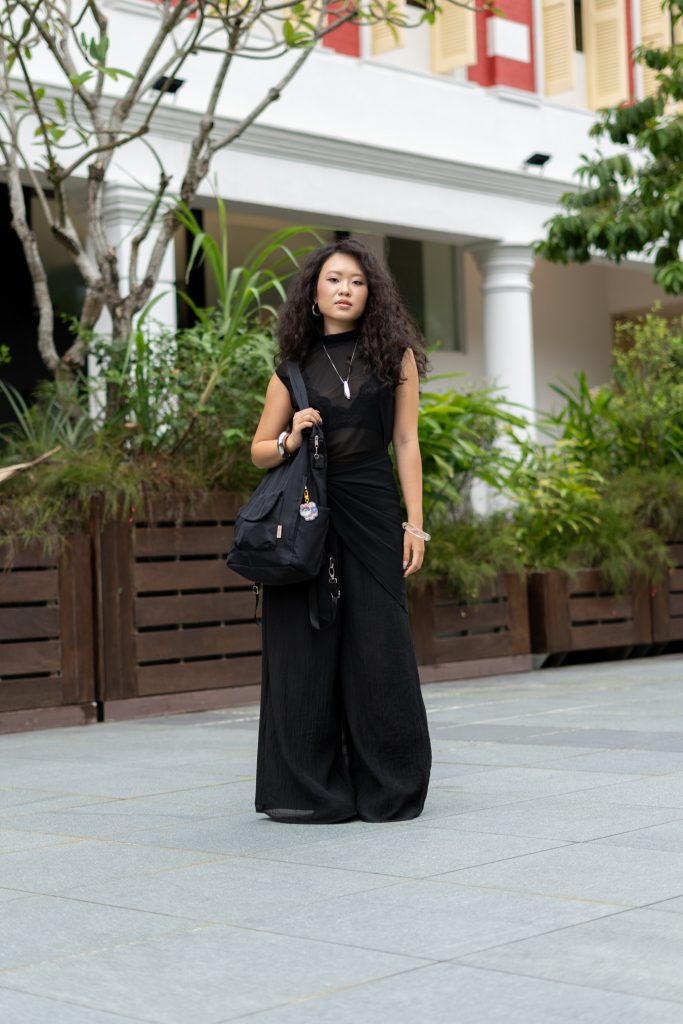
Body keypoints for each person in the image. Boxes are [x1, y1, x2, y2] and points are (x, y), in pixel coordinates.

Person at [250, 237, 432, 823]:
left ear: (371, 292)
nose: (345, 290)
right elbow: (259, 450)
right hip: (309, 515)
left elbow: (406, 442)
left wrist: (415, 526)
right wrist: (291, 437)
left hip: (374, 511)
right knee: (306, 645)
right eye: (333, 280)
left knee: (379, 644)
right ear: (314, 293)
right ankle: (310, 790)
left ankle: (390, 786)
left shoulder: (395, 358)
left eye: (356, 281)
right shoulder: (291, 371)